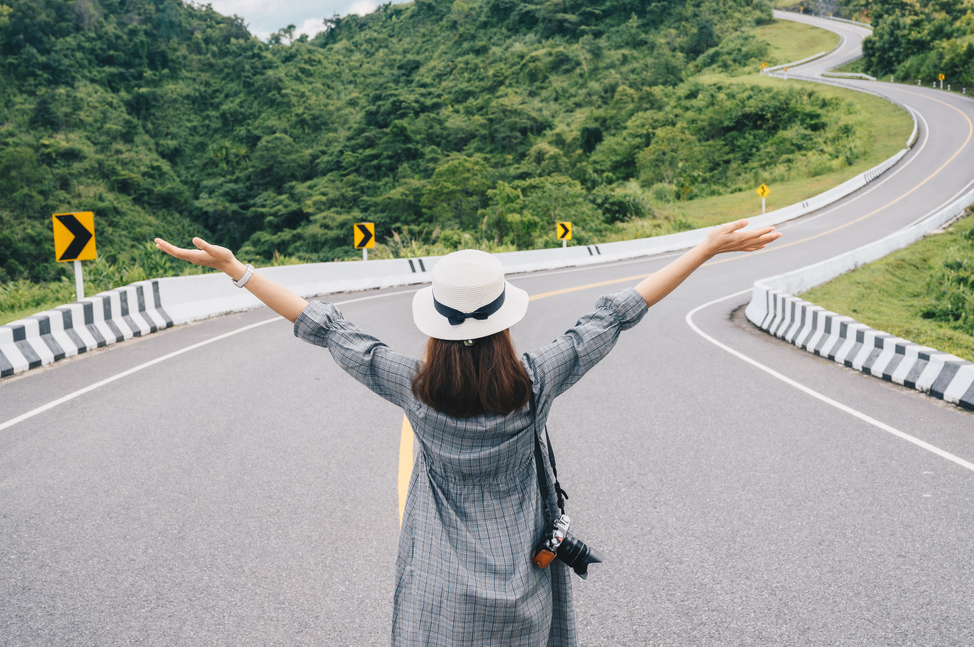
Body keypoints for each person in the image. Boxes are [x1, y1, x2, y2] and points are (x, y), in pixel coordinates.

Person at [154, 219, 779, 646]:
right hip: (524, 598)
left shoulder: (412, 386)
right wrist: (706, 249)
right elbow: (615, 315)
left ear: (437, 325)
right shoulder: (535, 382)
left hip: (439, 603)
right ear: (504, 322)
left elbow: (325, 326)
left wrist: (237, 269)